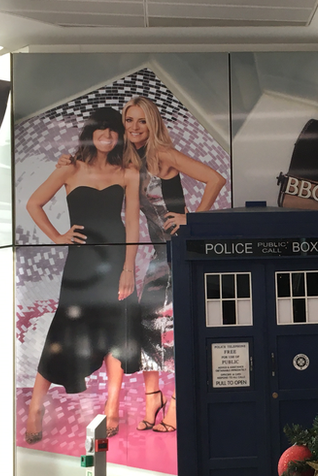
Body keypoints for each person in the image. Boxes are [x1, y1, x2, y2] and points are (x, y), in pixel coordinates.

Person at [58, 96, 226, 434]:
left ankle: (176, 405)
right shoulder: (128, 162)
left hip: (181, 252)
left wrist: (192, 219)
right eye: (129, 121)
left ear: (153, 124)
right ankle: (153, 398)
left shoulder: (163, 154)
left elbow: (215, 179)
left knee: (175, 332)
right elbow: (128, 212)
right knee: (146, 324)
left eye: (142, 121)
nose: (135, 128)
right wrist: (70, 160)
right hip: (159, 255)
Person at [24, 107, 141, 443]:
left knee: (116, 330)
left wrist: (128, 268)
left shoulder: (128, 171)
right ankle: (36, 405)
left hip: (117, 261)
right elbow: (35, 203)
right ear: (91, 132)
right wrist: (58, 236)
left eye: (113, 131)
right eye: (101, 130)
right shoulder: (70, 167)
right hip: (81, 264)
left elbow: (131, 223)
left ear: (118, 136)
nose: (108, 136)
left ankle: (113, 404)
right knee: (65, 329)